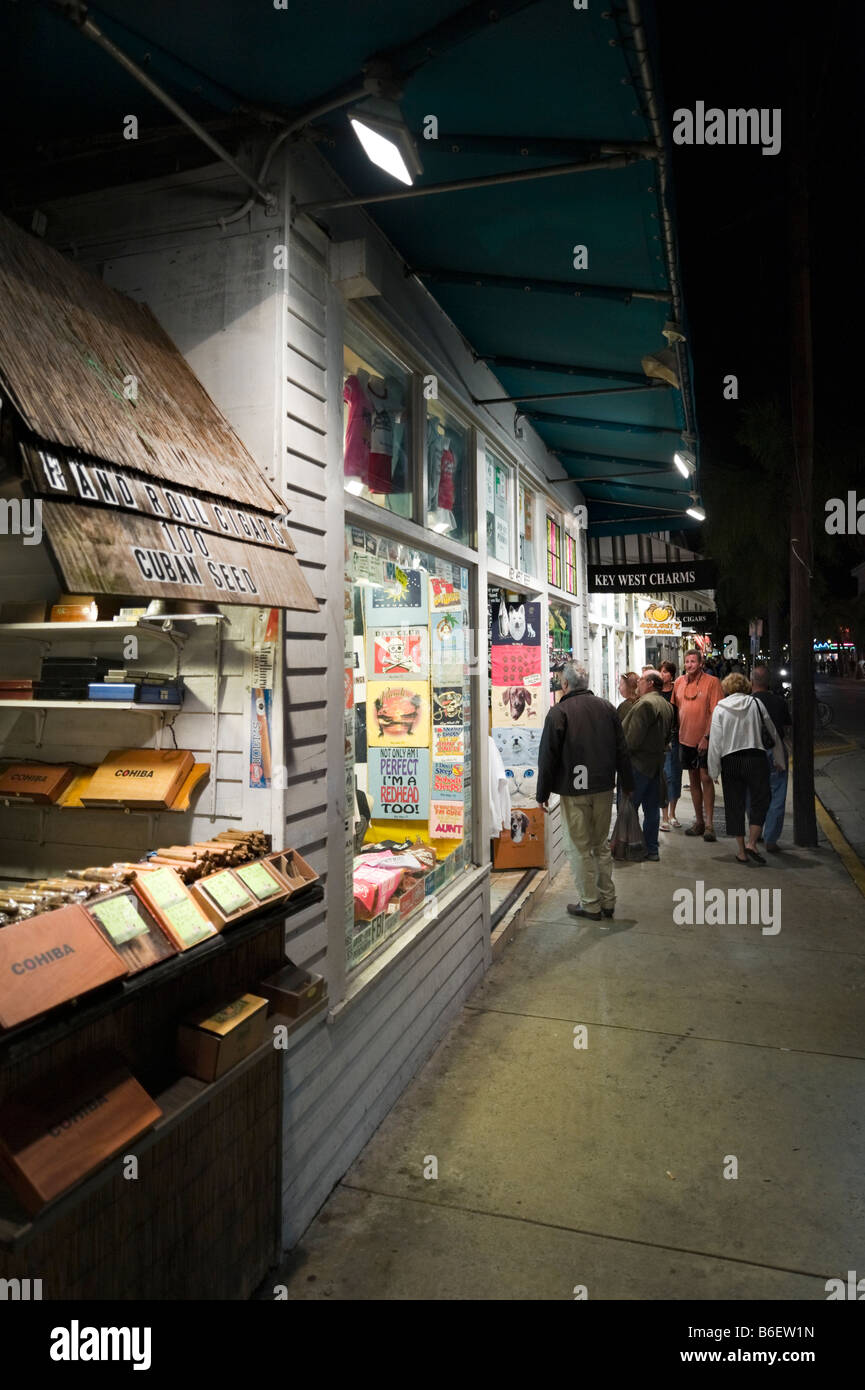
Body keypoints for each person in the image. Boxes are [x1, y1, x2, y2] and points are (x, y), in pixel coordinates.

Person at [536, 661, 633, 922]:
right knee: (600, 845)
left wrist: (542, 794)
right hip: (603, 787)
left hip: (573, 790)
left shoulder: (559, 712)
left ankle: (590, 904)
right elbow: (622, 750)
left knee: (579, 848)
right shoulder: (607, 708)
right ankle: (608, 900)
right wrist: (628, 784)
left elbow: (548, 757)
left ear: (565, 684)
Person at [708, 672, 785, 865]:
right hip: (755, 758)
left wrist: (713, 769)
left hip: (730, 760)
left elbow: (715, 742)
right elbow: (773, 733)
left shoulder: (720, 708)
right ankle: (752, 842)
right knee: (762, 799)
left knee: (734, 804)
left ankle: (741, 851)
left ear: (726, 688)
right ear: (746, 686)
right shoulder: (756, 704)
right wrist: (779, 759)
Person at [621, 670, 673, 862]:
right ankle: (652, 849)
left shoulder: (645, 704)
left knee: (629, 808)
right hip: (656, 765)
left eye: (642, 680)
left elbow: (632, 740)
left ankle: (632, 847)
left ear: (650, 683)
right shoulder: (666, 705)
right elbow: (668, 735)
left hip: (638, 765)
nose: (639, 684)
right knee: (652, 809)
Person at [672, 649, 723, 841]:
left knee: (706, 779)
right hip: (685, 739)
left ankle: (710, 824)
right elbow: (675, 709)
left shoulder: (712, 683)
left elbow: (716, 712)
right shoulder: (679, 682)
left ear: (701, 663)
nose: (689, 665)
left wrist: (707, 737)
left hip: (705, 740)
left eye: (693, 661)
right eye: (687, 661)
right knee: (693, 780)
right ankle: (699, 821)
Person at [750, 664, 790, 852]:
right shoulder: (779, 702)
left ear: (752, 682)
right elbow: (787, 727)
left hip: (753, 752)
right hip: (775, 752)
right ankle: (771, 839)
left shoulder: (747, 703)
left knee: (753, 793)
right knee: (777, 794)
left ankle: (754, 831)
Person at [658, 659, 682, 830]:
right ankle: (664, 816)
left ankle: (673, 813)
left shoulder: (677, 690)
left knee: (676, 776)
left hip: (676, 737)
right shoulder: (656, 692)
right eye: (661, 671)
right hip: (661, 738)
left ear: (672, 674)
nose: (663, 674)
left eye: (666, 671)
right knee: (665, 777)